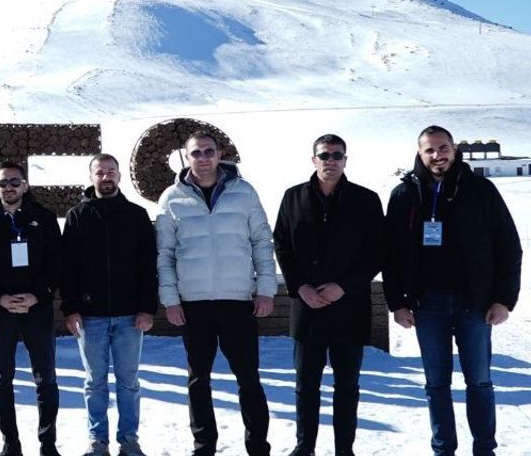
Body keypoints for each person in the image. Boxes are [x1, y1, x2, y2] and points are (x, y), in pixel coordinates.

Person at [383, 125, 522, 456]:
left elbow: (508, 246)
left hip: (475, 303)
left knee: (479, 382)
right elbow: (390, 254)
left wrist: (503, 300)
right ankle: (443, 450)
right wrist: (397, 303)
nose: (437, 155)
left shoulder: (480, 190)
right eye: (430, 150)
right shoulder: (404, 195)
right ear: (419, 153)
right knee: (436, 385)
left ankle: (484, 450)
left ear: (454, 149)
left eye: (443, 148)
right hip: (428, 303)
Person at [156, 131, 276, 456]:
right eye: (196, 153)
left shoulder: (244, 192)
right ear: (186, 157)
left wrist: (266, 290)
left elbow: (261, 242)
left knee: (248, 379)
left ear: (219, 153)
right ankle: (204, 446)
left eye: (209, 151)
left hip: (238, 302)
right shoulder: (172, 198)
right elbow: (164, 254)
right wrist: (170, 300)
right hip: (193, 305)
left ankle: (257, 447)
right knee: (199, 380)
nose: (203, 158)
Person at [272, 135, 383, 456]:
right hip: (307, 309)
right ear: (314, 159)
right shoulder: (293, 197)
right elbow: (282, 245)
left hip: (349, 307)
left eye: (337, 155)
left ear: (345, 160)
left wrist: (344, 286)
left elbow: (378, 252)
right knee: (306, 385)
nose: (330, 161)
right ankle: (304, 446)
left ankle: (344, 449)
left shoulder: (365, 200)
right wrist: (300, 287)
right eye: (324, 155)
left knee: (347, 386)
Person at [61, 154, 157, 456]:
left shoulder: (136, 215)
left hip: (130, 315)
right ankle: (97, 440)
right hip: (90, 316)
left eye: (111, 171)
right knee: (95, 383)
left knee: (129, 382)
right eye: (100, 172)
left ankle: (128, 439)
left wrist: (147, 307)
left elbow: (148, 266)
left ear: (119, 175)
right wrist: (70, 308)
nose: (106, 177)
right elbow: (68, 268)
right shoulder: (77, 216)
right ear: (91, 178)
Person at [0, 161, 62, 456]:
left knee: (46, 378)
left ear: (25, 185)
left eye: (14, 182)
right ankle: (11, 444)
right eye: (3, 183)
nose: (8, 187)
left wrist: (38, 296)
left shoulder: (44, 218)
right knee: (2, 380)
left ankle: (48, 444)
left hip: (38, 309)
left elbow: (56, 264)